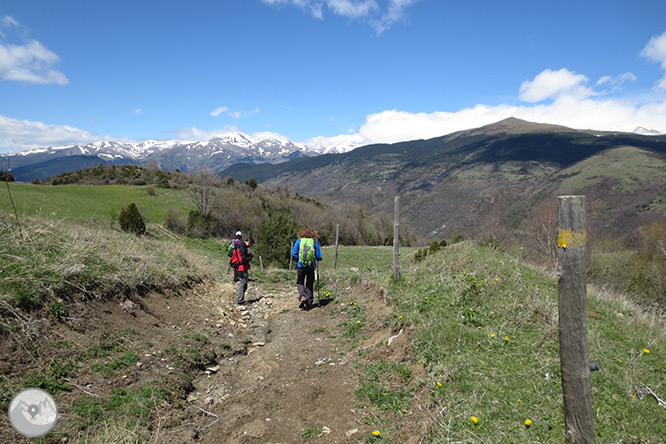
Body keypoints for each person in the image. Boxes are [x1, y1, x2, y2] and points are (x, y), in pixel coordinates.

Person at [291, 226, 322, 309]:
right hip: (311, 266)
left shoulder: (299, 241)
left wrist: (298, 260)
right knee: (309, 283)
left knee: (300, 282)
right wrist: (318, 259)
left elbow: (293, 253)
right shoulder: (314, 242)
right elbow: (318, 255)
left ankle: (302, 296)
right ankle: (309, 301)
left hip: (300, 266)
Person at [236, 237, 255, 305]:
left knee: (244, 284)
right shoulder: (242, 247)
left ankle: (241, 299)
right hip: (242, 268)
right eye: (251, 245)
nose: (250, 246)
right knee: (243, 284)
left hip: (242, 267)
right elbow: (243, 259)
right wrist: (250, 257)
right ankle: (240, 300)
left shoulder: (242, 246)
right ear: (248, 242)